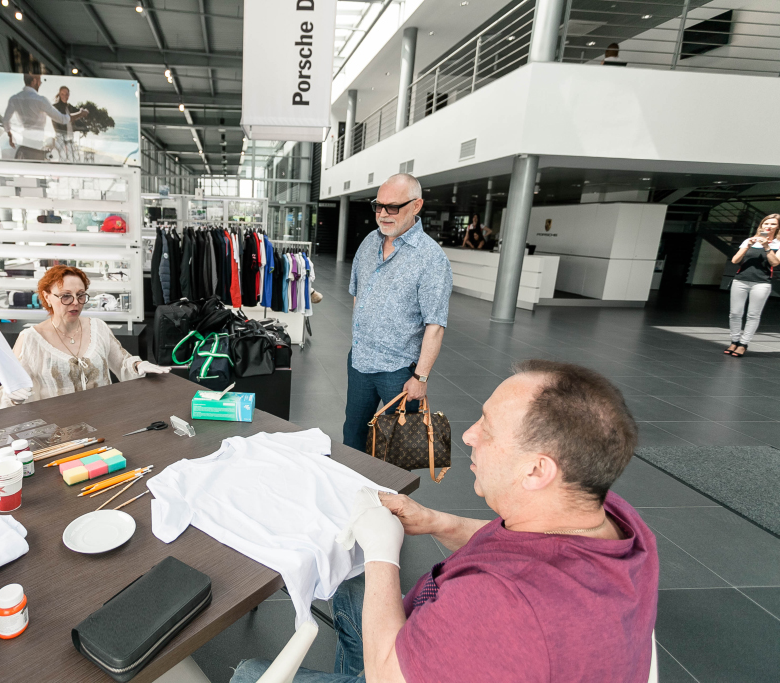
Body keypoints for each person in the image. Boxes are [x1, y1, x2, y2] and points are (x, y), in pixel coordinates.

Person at [232, 361, 658, 683]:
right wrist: (435, 521)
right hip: (456, 642)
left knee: (250, 673)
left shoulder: (503, 605)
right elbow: (520, 548)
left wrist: (382, 552)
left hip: (400, 669)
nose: (469, 435)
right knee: (353, 579)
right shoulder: (606, 514)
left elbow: (386, 678)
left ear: (536, 470)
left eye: (487, 428)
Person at [343, 173, 453, 453]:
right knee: (353, 437)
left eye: (392, 207)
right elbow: (358, 295)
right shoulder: (369, 242)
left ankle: (389, 485)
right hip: (359, 362)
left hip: (399, 373)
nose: (383, 214)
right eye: (378, 206)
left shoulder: (431, 258)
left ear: (416, 206)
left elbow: (435, 325)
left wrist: (421, 377)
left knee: (397, 450)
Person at [0, 265, 169, 407]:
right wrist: (13, 397)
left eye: (81, 295)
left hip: (105, 418)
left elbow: (122, 362)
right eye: (66, 296)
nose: (75, 302)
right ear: (47, 297)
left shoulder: (98, 327)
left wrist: (138, 365)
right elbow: (13, 388)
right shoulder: (31, 339)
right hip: (58, 429)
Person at [726, 214, 780, 357]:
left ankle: (743, 344)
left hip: (761, 283)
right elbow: (735, 260)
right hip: (740, 280)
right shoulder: (749, 240)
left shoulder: (778, 244)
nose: (769, 226)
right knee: (735, 313)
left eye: (773, 224)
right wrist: (747, 246)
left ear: (778, 227)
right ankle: (734, 341)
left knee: (753, 315)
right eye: (766, 223)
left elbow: (775, 263)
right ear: (761, 225)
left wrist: (766, 246)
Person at [3, 74, 88, 160]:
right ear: (34, 81)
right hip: (37, 147)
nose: (40, 83)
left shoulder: (14, 99)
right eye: (39, 80)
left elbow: (5, 121)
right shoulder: (41, 100)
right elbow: (62, 119)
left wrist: (10, 136)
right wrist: (80, 114)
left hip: (24, 145)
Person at [52, 86, 84, 162]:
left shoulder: (69, 107)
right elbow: (63, 118)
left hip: (70, 138)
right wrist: (80, 113)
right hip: (60, 137)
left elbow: (78, 111)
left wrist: (82, 110)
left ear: (69, 95)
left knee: (76, 159)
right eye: (62, 94)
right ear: (59, 94)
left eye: (66, 94)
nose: (65, 96)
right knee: (63, 159)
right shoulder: (55, 107)